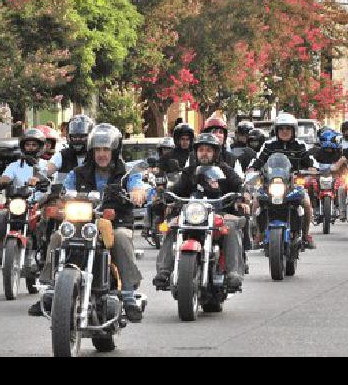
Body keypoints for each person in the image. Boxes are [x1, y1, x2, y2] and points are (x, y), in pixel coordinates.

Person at [30, 123, 148, 321]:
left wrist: (137, 193)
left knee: (120, 238)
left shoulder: (127, 173)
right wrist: (55, 201)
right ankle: (50, 288)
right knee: (58, 236)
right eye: (97, 150)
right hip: (82, 224)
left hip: (116, 222)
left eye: (106, 149)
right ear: (91, 151)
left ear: (114, 150)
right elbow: (64, 192)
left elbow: (138, 187)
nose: (101, 154)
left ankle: (128, 295)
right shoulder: (78, 172)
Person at [152, 133, 246, 291]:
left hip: (219, 213)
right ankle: (164, 271)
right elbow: (176, 189)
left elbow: (239, 185)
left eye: (208, 150)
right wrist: (165, 196)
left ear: (215, 152)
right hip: (193, 214)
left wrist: (243, 194)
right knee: (172, 226)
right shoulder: (189, 171)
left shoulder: (224, 170)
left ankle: (233, 272)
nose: (204, 153)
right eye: (201, 149)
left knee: (231, 226)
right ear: (195, 152)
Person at [247, 112, 318, 249]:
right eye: (281, 128)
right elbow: (258, 160)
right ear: (276, 130)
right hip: (270, 184)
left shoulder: (300, 145)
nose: (284, 131)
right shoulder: (269, 145)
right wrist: (251, 169)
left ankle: (305, 235)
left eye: (288, 129)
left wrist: (312, 168)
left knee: (307, 203)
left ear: (293, 130)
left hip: (293, 184)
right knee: (256, 202)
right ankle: (259, 234)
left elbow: (310, 161)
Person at [0, 128, 51, 267]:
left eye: (34, 145)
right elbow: (5, 178)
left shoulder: (45, 166)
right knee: (1, 216)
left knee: (46, 220)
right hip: (18, 203)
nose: (30, 148)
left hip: (38, 203)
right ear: (23, 147)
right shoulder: (14, 165)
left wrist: (40, 180)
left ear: (40, 147)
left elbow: (50, 181)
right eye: (27, 145)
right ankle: (0, 253)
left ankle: (43, 255)